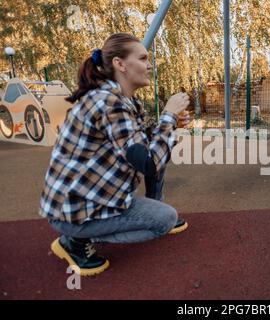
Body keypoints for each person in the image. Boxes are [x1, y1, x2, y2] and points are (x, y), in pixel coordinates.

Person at [39, 33, 191, 276]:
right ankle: (75, 240)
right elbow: (148, 163)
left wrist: (171, 125)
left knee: (161, 147)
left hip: (92, 198)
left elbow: (144, 147)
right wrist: (169, 116)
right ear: (120, 64)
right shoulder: (107, 103)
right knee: (164, 220)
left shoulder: (123, 101)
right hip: (74, 211)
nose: (149, 64)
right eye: (142, 58)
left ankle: (146, 208)